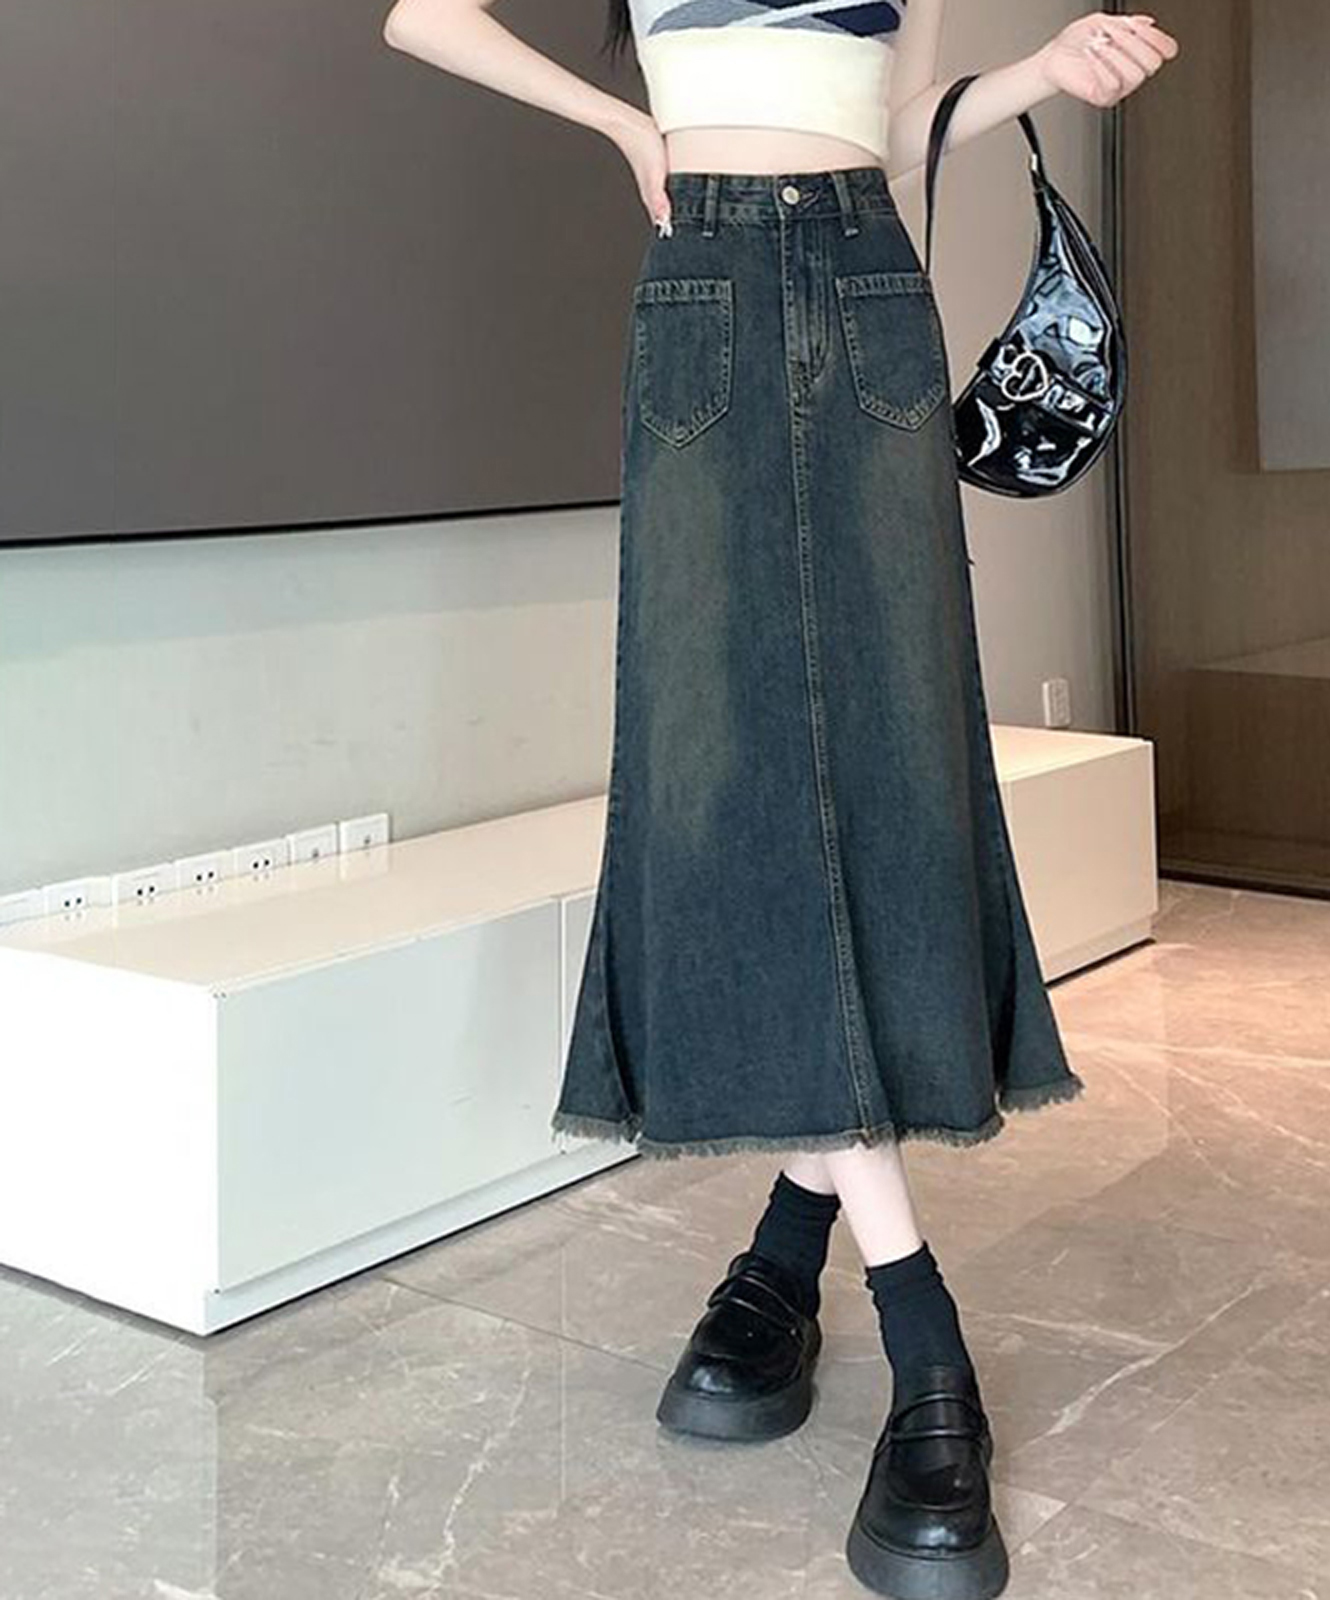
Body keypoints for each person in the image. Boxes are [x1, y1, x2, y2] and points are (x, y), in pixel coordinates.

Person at [380, 4, 1176, 1595]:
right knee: (729, 776)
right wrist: (624, 126)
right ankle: (924, 1339)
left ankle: (780, 1262)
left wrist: (1041, 74)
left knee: (890, 774)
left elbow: (894, 132)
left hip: (875, 282)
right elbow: (421, 16)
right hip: (707, 288)